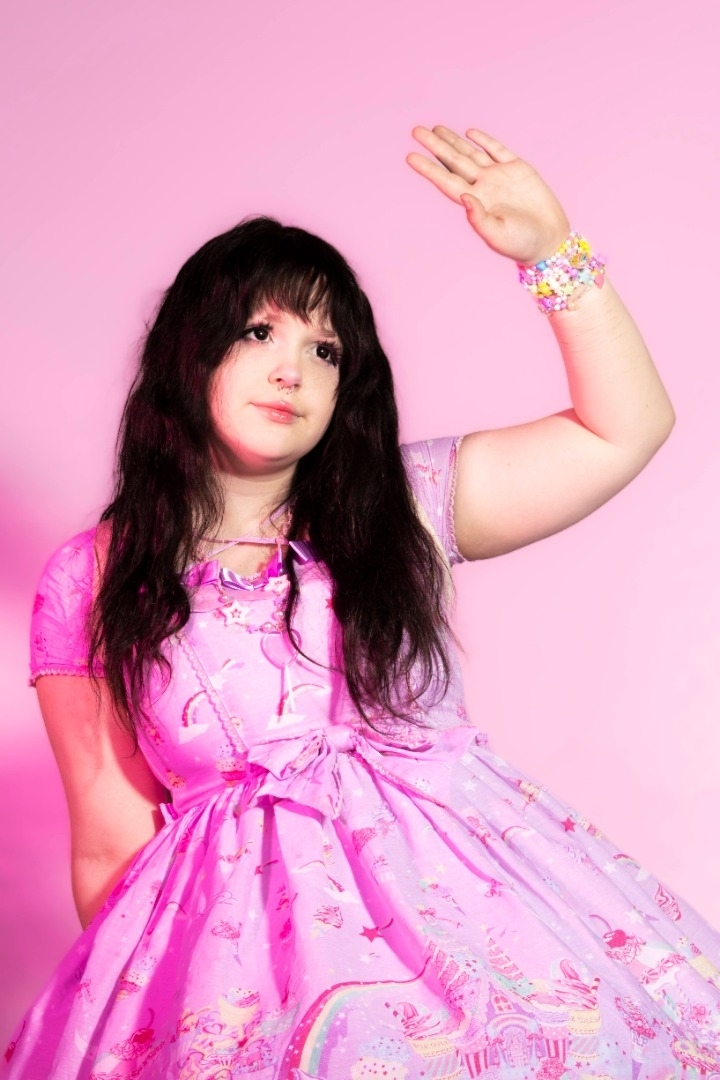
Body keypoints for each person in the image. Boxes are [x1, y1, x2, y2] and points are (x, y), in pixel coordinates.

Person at [4, 125, 719, 1080]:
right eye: (259, 333)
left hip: (477, 957)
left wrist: (554, 254)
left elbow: (623, 429)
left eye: (326, 349)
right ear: (188, 350)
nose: (293, 370)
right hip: (242, 997)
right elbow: (109, 847)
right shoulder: (96, 575)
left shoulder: (405, 504)